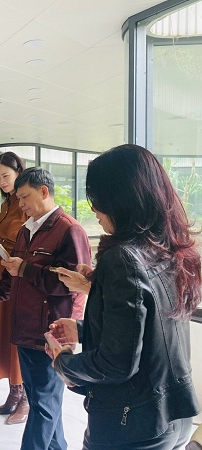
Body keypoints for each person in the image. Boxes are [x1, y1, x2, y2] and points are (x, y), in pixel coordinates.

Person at [47, 145, 200, 450]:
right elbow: (150, 330)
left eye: (97, 198)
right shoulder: (167, 247)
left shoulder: (123, 258)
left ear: (120, 199)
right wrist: (83, 330)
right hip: (174, 411)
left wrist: (64, 362)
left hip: (131, 424)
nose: (93, 208)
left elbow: (116, 364)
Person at [0, 167, 91, 450]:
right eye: (18, 198)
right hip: (25, 330)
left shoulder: (69, 230)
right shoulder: (26, 230)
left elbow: (71, 285)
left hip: (50, 334)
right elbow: (13, 277)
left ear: (43, 191)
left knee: (42, 406)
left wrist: (26, 269)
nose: (21, 204)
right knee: (44, 401)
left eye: (25, 197)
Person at [0, 152, 29, 424]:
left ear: (19, 173)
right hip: (2, 271)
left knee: (18, 334)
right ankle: (14, 392)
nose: (2, 181)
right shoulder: (6, 204)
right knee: (4, 334)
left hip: (19, 274)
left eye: (6, 175)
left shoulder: (25, 203)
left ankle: (26, 397)